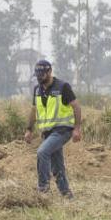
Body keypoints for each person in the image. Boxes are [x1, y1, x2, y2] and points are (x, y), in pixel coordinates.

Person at [23, 60, 82, 198]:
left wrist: (77, 129)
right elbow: (34, 110)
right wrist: (29, 129)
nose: (39, 77)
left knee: (42, 152)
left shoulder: (62, 87)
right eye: (37, 75)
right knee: (57, 166)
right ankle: (66, 193)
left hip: (63, 130)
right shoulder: (37, 90)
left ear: (49, 72)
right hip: (48, 132)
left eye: (42, 74)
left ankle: (43, 189)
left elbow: (76, 107)